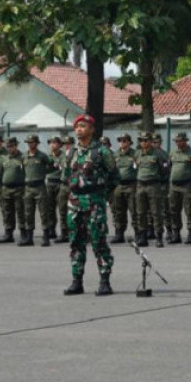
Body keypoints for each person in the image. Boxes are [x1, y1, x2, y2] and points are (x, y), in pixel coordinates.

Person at [63, 114, 118, 296]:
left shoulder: (102, 152)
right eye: (77, 126)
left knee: (98, 241)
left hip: (94, 201)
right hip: (74, 203)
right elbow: (65, 176)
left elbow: (114, 176)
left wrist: (100, 193)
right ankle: (76, 281)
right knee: (75, 242)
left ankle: (104, 281)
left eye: (84, 126)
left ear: (92, 130)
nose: (80, 129)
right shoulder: (71, 152)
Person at [135, 132, 169, 247]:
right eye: (141, 140)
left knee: (156, 212)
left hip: (153, 185)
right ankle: (143, 237)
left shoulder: (158, 153)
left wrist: (159, 180)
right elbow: (135, 168)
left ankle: (159, 237)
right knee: (140, 212)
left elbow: (165, 169)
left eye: (146, 140)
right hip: (140, 185)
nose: (143, 143)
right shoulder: (138, 153)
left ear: (150, 141)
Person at [21, 134, 53, 247]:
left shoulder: (42, 156)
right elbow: (22, 170)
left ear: (36, 143)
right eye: (28, 143)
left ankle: (46, 237)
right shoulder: (24, 156)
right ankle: (29, 237)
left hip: (40, 186)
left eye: (32, 142)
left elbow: (51, 166)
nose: (30, 144)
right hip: (28, 187)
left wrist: (43, 173)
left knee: (44, 212)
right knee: (28, 213)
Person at [0, 137, 26, 244]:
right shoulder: (5, 159)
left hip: (19, 188)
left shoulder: (22, 158)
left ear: (16, 146)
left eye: (12, 146)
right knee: (7, 212)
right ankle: (8, 233)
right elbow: (0, 172)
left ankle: (23, 233)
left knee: (20, 211)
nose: (10, 148)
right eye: (8, 146)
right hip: (6, 188)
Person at [169, 133, 191, 245]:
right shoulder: (172, 153)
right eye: (176, 141)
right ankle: (176, 233)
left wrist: (187, 177)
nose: (178, 143)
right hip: (174, 185)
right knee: (174, 210)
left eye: (180, 141)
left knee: (189, 210)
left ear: (185, 141)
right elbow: (170, 167)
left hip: (186, 185)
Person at [109, 134, 138, 244]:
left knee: (134, 210)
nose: (122, 142)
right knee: (118, 211)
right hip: (119, 186)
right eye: (120, 140)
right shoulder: (115, 155)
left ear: (129, 142)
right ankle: (119, 233)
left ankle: (138, 233)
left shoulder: (135, 154)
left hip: (132, 185)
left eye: (125, 140)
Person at [42, 136, 65, 246]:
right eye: (50, 143)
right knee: (49, 208)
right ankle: (52, 230)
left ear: (60, 145)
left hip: (60, 183)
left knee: (62, 208)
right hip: (49, 183)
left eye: (55, 143)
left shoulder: (64, 156)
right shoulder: (47, 156)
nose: (52, 145)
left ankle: (64, 231)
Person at [56, 135, 75, 243]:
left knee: (76, 211)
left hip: (74, 185)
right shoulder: (62, 155)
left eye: (68, 144)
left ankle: (77, 233)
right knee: (62, 209)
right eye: (64, 144)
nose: (66, 146)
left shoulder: (77, 154)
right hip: (63, 185)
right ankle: (64, 233)